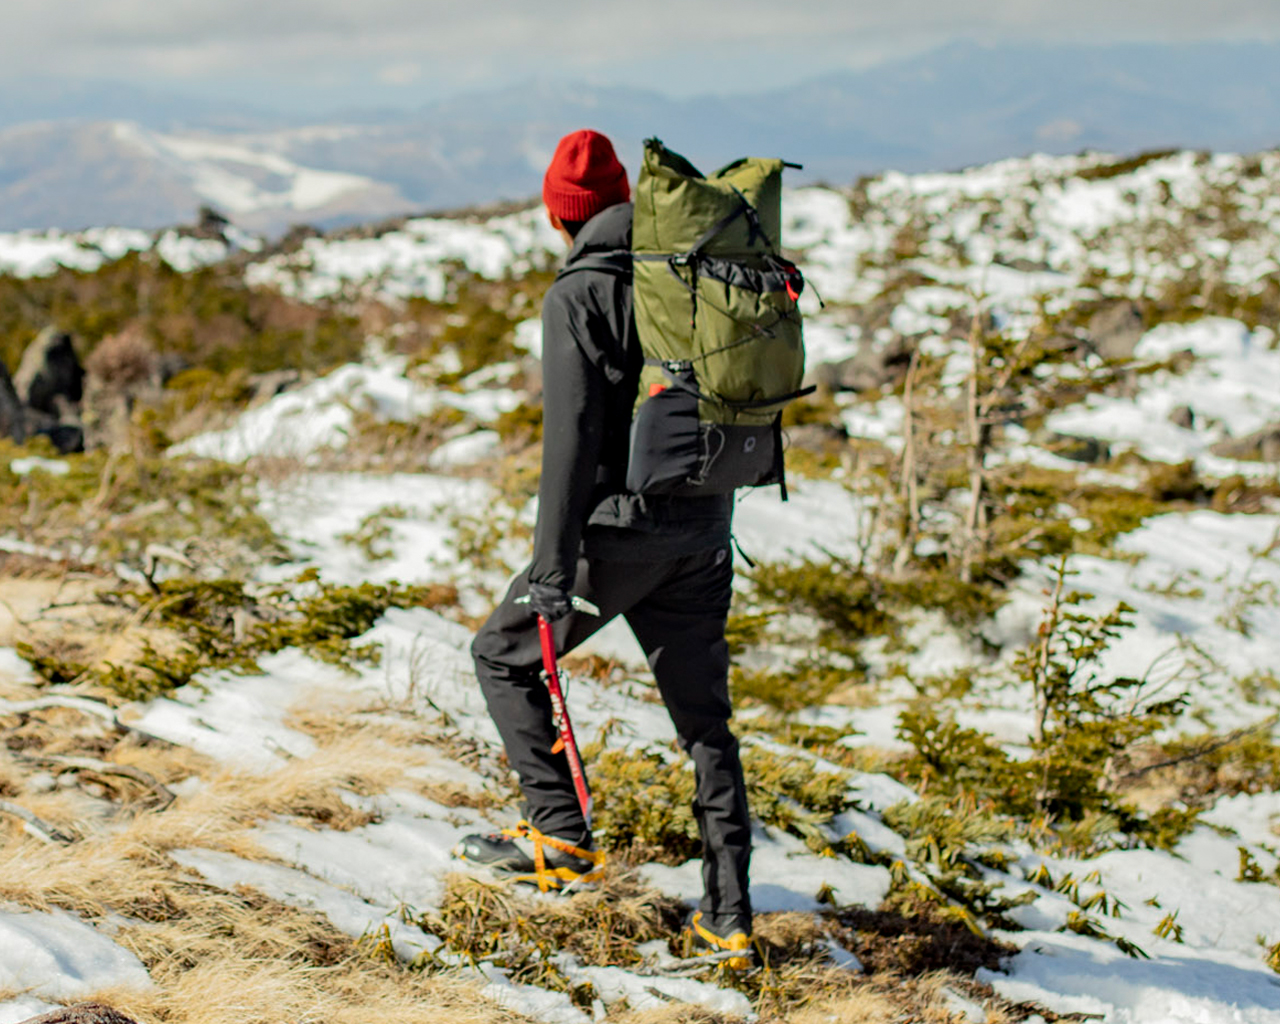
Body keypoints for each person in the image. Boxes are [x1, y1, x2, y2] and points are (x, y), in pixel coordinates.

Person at [455, 129, 753, 960]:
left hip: (619, 536)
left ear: (561, 216)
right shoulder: (685, 273)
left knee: (501, 654)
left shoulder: (579, 295)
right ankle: (727, 915)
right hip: (703, 528)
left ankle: (559, 833)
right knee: (706, 726)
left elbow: (571, 442)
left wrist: (553, 570)